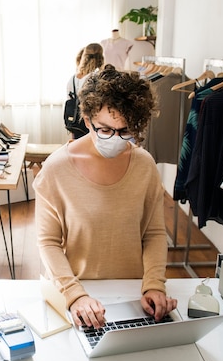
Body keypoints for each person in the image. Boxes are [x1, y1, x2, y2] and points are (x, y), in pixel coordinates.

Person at [35, 65, 176, 330]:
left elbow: (154, 233)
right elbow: (48, 242)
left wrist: (154, 285)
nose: (116, 139)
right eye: (106, 130)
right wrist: (74, 295)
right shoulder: (55, 170)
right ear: (87, 120)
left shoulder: (144, 165)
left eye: (125, 131)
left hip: (134, 294)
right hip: (77, 293)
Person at [65, 43, 105, 139]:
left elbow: (69, 99)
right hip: (91, 121)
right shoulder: (96, 76)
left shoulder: (73, 78)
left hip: (75, 121)